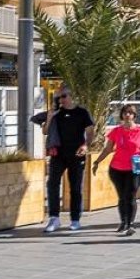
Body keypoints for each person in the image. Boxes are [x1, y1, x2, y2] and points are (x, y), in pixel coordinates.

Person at [40, 88, 93, 234]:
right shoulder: (57, 114)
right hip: (58, 154)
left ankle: (75, 219)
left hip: (76, 155)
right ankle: (54, 218)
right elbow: (45, 131)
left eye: (63, 96)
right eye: (58, 97)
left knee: (75, 187)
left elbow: (90, 131)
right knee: (52, 184)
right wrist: (50, 117)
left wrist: (85, 145)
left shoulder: (82, 113)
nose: (60, 100)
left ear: (71, 96)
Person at [101, 104, 140, 236]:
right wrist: (97, 161)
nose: (127, 115)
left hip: (136, 168)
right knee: (121, 196)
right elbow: (108, 149)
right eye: (125, 113)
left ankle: (130, 224)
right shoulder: (116, 131)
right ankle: (123, 221)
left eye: (130, 113)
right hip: (117, 168)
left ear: (134, 116)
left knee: (130, 195)